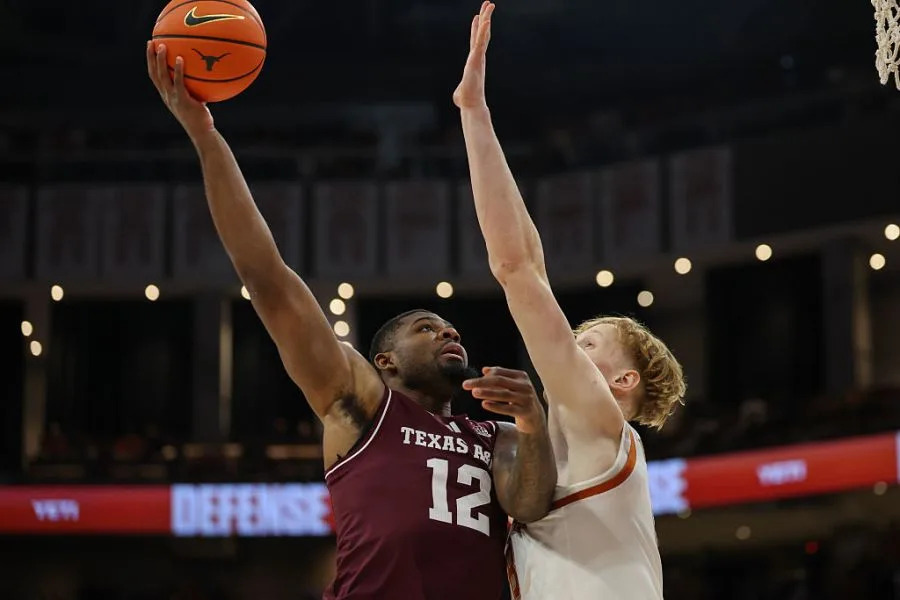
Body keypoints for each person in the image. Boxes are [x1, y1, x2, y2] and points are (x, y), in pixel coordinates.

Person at [145, 41, 557, 600]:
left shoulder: (493, 434)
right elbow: (266, 276)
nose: (449, 331)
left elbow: (530, 503)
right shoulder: (363, 403)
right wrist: (205, 136)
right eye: (426, 328)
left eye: (449, 327)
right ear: (383, 361)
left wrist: (532, 419)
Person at [453, 4, 688, 599]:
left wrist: (474, 113)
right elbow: (528, 265)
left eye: (587, 346)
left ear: (622, 380)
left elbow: (517, 270)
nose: (568, 351)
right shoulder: (567, 448)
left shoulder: (600, 421)